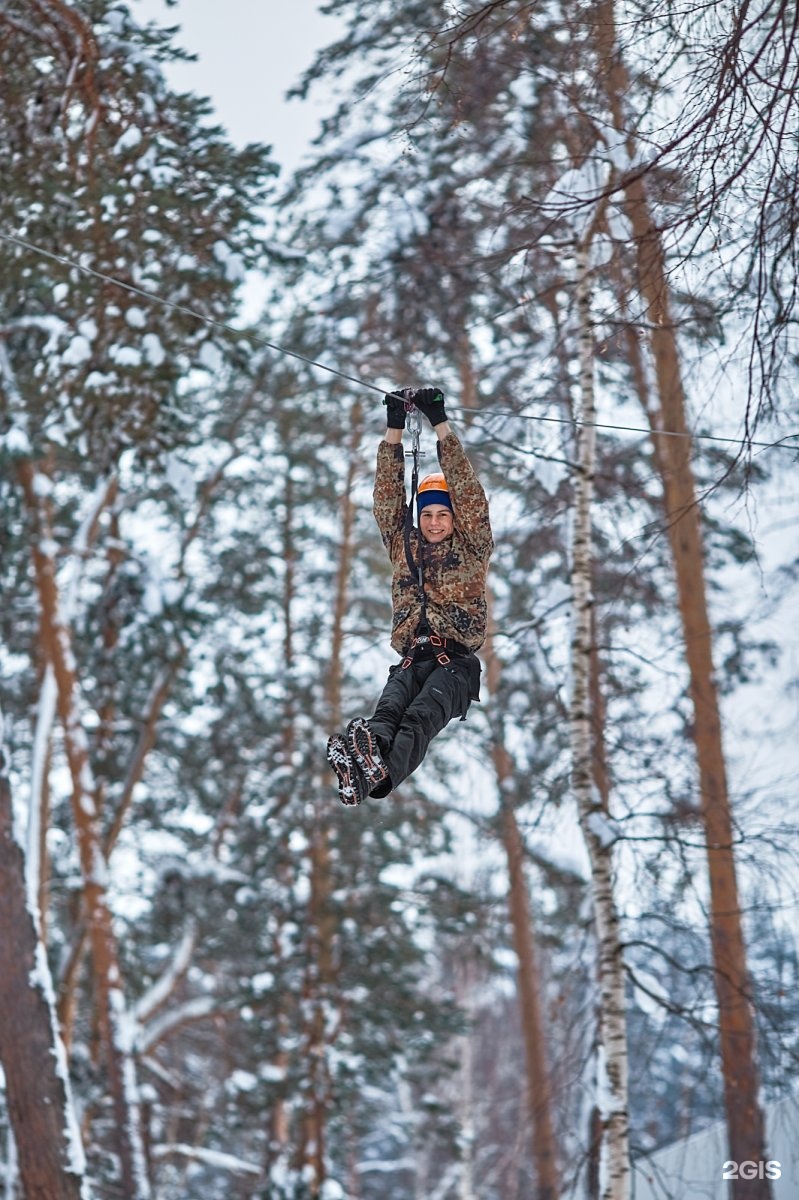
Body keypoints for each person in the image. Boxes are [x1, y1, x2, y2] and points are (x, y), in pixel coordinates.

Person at [326, 386, 494, 805]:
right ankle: (364, 770)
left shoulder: (472, 546)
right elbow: (386, 497)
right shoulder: (405, 545)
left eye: (442, 515)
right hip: (409, 657)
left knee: (417, 718)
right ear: (417, 518)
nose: (435, 523)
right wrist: (394, 429)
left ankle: (378, 779)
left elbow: (468, 492)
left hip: (454, 665)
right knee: (385, 717)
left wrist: (440, 424)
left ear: (454, 519)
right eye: (427, 515)